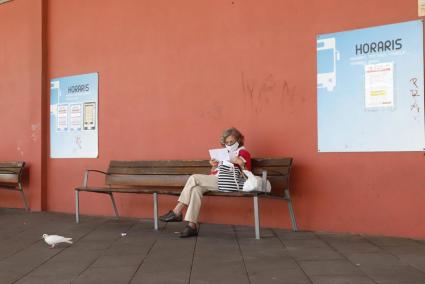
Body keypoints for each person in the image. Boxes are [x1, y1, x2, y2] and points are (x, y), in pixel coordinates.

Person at [159, 127, 252, 238]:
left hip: (229, 183)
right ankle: (191, 226)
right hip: (218, 181)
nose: (229, 144)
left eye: (232, 141)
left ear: (239, 140)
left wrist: (241, 163)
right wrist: (214, 166)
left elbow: (248, 173)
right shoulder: (224, 153)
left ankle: (177, 211)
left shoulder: (243, 152)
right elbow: (215, 173)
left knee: (194, 178)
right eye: (227, 142)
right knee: (195, 190)